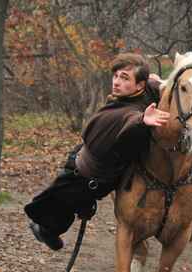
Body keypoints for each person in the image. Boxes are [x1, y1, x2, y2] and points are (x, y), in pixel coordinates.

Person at [24, 53, 170, 250]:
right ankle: (46, 230)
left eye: (124, 78)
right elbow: (127, 118)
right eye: (116, 76)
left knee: (65, 207)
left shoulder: (146, 93)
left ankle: (47, 229)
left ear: (139, 86)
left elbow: (154, 86)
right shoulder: (119, 112)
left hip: (105, 174)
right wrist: (141, 120)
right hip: (84, 173)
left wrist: (163, 82)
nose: (117, 82)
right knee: (57, 206)